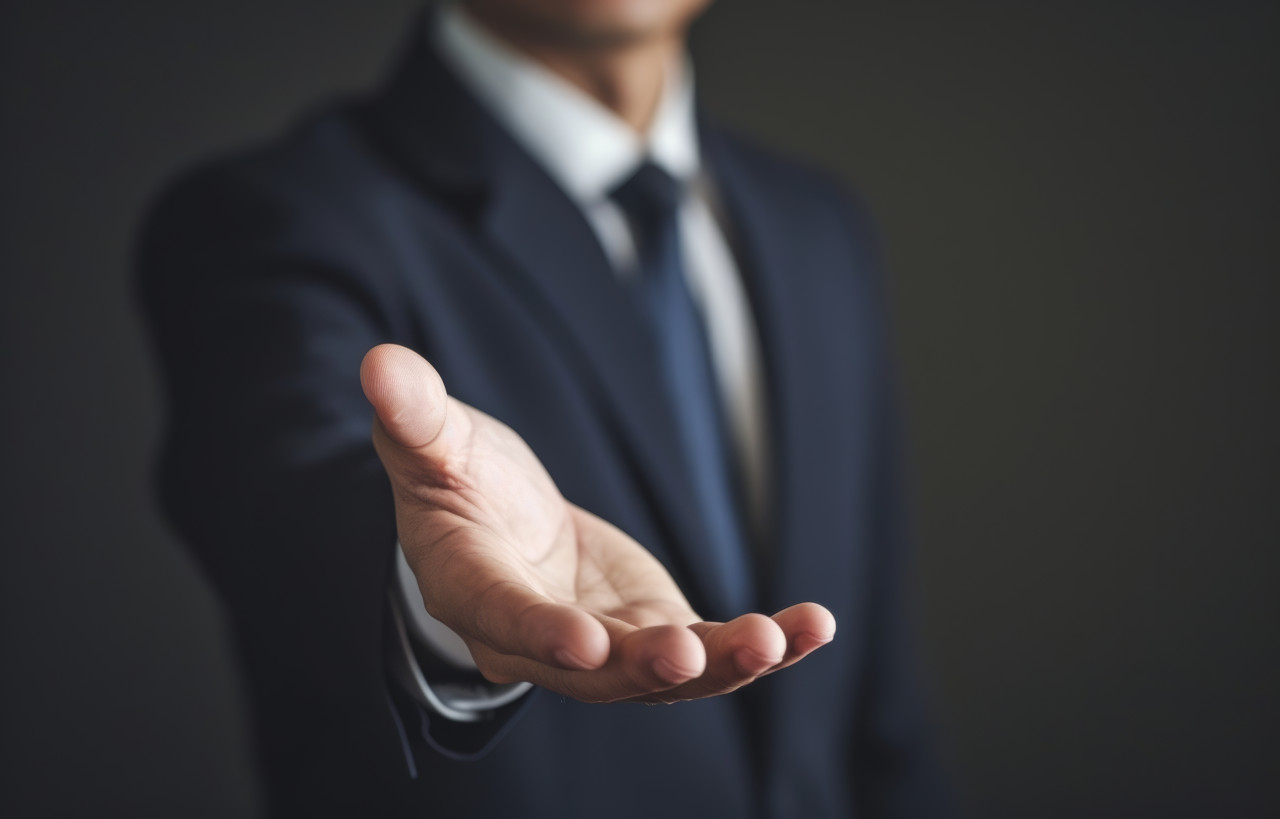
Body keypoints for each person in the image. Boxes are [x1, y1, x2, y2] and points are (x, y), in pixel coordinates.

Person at [138, 1, 949, 816]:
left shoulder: (817, 229)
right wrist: (438, 585)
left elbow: (879, 708)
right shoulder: (271, 218)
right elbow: (294, 488)